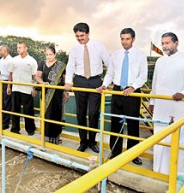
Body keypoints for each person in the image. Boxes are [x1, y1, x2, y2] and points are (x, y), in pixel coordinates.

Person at [149, 32, 184, 176]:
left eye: (167, 43)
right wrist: (152, 102)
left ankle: (177, 172)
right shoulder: (160, 61)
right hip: (160, 107)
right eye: (163, 43)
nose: (164, 46)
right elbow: (155, 83)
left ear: (176, 43)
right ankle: (158, 170)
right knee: (158, 138)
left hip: (177, 107)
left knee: (177, 139)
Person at [97, 28, 148, 165]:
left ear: (133, 39)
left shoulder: (140, 55)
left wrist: (133, 87)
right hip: (117, 91)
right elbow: (110, 74)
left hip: (132, 91)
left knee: (132, 123)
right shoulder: (116, 55)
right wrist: (104, 85)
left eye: (127, 39)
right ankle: (115, 151)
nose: (124, 42)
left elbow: (143, 75)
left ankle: (133, 154)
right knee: (115, 123)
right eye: (122, 39)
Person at [65, 22, 110, 153]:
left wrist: (105, 83)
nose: (79, 38)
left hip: (95, 81)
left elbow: (109, 64)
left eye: (82, 35)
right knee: (80, 113)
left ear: (88, 33)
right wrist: (68, 82)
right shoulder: (74, 49)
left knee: (93, 113)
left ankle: (92, 141)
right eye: (77, 36)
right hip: (79, 81)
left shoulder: (99, 45)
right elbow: (70, 66)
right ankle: (83, 142)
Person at [35, 46, 69, 144]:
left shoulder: (61, 65)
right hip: (46, 93)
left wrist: (66, 93)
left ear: (55, 54)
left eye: (50, 54)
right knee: (46, 114)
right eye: (47, 55)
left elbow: (64, 79)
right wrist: (42, 83)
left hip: (57, 94)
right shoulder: (42, 64)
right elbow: (37, 76)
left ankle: (56, 138)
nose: (48, 57)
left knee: (56, 114)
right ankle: (46, 138)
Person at [7, 41, 37, 135]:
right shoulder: (14, 60)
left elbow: (35, 76)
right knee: (15, 109)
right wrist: (9, 86)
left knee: (28, 110)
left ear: (25, 48)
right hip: (15, 88)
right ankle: (15, 129)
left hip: (27, 89)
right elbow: (10, 74)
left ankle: (30, 129)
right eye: (17, 47)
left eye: (20, 47)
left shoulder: (32, 61)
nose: (18, 49)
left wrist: (34, 88)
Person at [0, 45, 12, 129]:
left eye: (0, 50)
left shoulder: (11, 60)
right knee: (1, 103)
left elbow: (11, 74)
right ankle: (1, 122)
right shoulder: (1, 60)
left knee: (6, 103)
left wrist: (9, 86)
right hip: (1, 82)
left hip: (7, 82)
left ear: (5, 50)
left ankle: (5, 123)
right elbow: (0, 71)